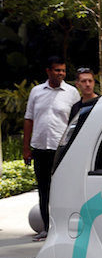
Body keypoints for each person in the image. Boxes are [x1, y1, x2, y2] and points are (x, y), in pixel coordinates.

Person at [23, 56, 80, 241]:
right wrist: (26, 148)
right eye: (57, 70)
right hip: (40, 148)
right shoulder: (36, 92)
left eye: (63, 70)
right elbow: (29, 119)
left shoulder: (72, 93)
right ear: (48, 71)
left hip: (61, 150)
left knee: (63, 189)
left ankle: (63, 229)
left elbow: (76, 122)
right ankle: (47, 229)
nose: (61, 73)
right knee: (43, 190)